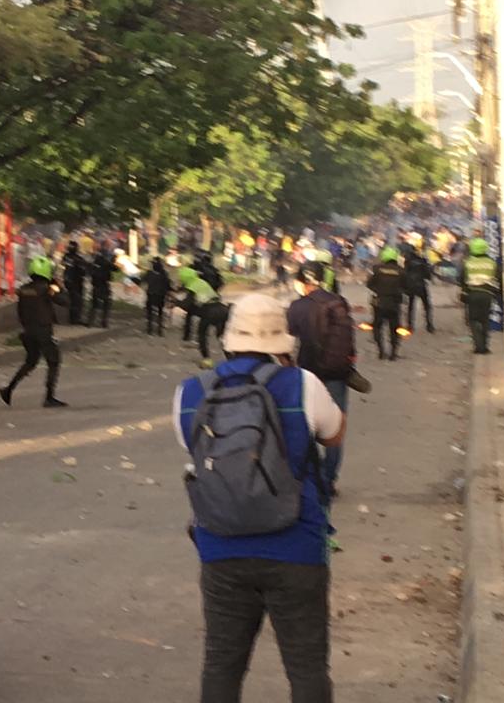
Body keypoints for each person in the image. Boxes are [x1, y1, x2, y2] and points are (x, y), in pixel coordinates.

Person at [174, 293, 344, 703]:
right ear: (283, 342)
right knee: (306, 668)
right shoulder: (303, 384)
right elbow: (333, 434)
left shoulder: (190, 392)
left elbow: (191, 449)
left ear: (229, 339)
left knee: (221, 666)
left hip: (221, 548)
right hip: (297, 548)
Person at [286, 261, 356, 495]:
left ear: (303, 281)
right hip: (337, 373)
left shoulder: (297, 307)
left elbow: (287, 339)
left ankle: (312, 478)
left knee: (307, 426)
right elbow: (349, 338)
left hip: (307, 372)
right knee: (335, 429)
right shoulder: (338, 302)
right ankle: (329, 479)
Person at [0, 256, 68, 408]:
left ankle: (8, 389)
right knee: (53, 361)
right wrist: (59, 286)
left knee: (30, 362)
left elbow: (20, 311)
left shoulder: (24, 289)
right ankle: (49, 397)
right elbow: (64, 301)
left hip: (28, 330)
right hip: (43, 330)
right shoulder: (46, 289)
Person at [176, 267, 230, 369]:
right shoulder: (201, 282)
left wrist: (176, 302)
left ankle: (207, 359)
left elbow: (187, 304)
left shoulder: (192, 286)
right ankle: (231, 358)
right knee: (222, 337)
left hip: (209, 311)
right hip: (222, 308)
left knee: (202, 334)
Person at [460, 239, 498, 354]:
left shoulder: (468, 262)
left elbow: (462, 279)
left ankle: (479, 346)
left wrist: (464, 292)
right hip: (487, 295)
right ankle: (485, 346)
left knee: (473, 320)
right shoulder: (492, 263)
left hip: (473, 294)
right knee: (485, 320)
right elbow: (498, 279)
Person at [367, 247, 405, 361]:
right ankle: (393, 353)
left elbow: (369, 284)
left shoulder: (377, 269)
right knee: (394, 328)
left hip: (379, 302)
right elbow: (406, 286)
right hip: (394, 303)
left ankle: (381, 351)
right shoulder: (401, 271)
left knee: (377, 327)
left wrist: (379, 290)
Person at [403, 245, 436, 333]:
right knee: (427, 306)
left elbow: (405, 274)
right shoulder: (422, 261)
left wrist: (404, 287)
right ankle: (429, 325)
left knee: (411, 306)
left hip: (411, 285)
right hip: (421, 285)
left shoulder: (407, 262)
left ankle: (410, 326)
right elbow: (427, 274)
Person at [140, 257, 171, 336]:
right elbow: (168, 285)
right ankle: (159, 330)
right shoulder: (164, 273)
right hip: (160, 295)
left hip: (151, 294)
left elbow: (143, 280)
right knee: (160, 312)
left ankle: (149, 329)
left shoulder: (149, 273)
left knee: (150, 312)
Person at [86, 247, 114, 328]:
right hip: (104, 285)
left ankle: (90, 322)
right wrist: (113, 261)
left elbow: (89, 271)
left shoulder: (94, 262)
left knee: (94, 305)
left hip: (95, 285)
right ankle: (104, 322)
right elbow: (115, 269)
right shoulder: (106, 263)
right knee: (106, 304)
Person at [61, 240, 88, 326]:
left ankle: (73, 318)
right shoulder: (76, 259)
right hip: (75, 282)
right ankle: (75, 319)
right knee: (77, 300)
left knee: (73, 300)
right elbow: (83, 269)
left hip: (69, 281)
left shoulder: (66, 257)